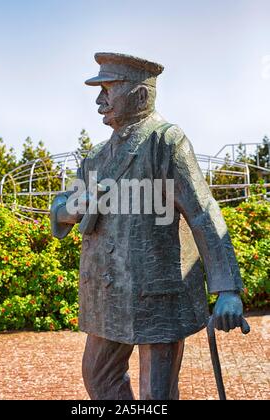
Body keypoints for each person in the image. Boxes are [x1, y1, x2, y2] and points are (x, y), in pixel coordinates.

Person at [51, 52, 245, 400]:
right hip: (107, 298)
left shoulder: (166, 142)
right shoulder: (96, 156)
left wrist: (227, 289)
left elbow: (203, 212)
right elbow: (61, 208)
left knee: (157, 393)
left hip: (158, 297)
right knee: (98, 378)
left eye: (108, 88)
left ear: (140, 94)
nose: (99, 100)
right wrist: (72, 208)